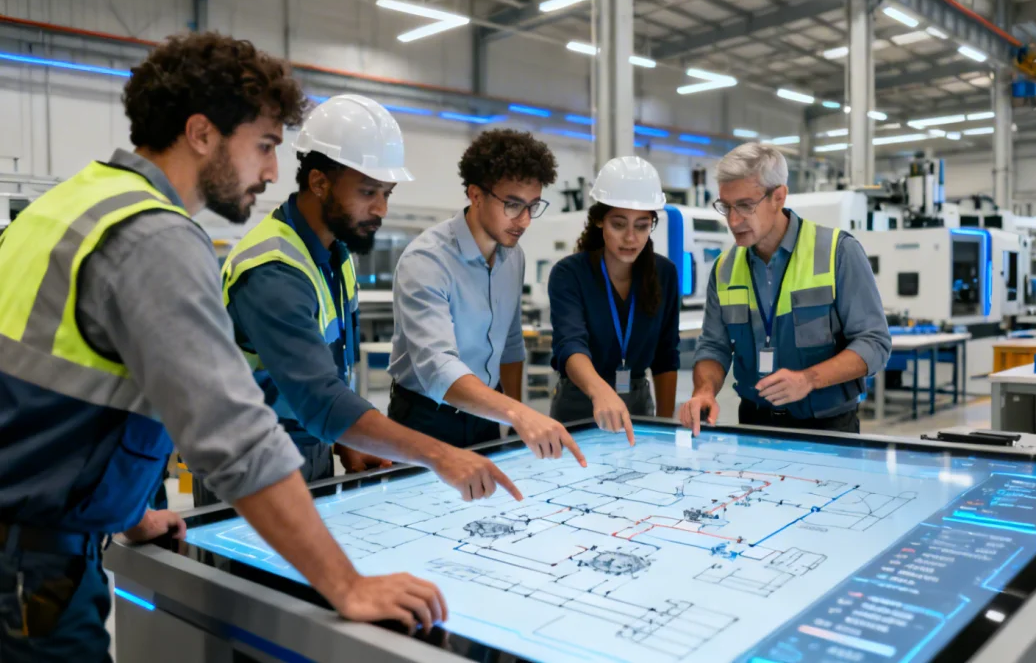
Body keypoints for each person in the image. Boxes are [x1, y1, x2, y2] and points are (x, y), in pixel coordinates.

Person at [0, 33, 446, 661]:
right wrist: (347, 586)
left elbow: (65, 391)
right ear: (202, 133)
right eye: (263, 145)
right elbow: (232, 435)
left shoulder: (70, 206)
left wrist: (125, 513)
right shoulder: (152, 236)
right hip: (31, 564)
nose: (270, 170)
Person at [191, 95, 519, 507]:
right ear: (319, 182)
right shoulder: (273, 270)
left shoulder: (334, 255)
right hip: (246, 465)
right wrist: (439, 454)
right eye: (368, 191)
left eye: (387, 192)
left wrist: (344, 441)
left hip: (307, 448)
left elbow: (328, 375)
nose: (380, 208)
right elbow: (319, 396)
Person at [388, 129, 586, 466]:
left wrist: (512, 420)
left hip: (488, 414)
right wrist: (519, 413)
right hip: (426, 417)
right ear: (475, 195)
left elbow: (510, 344)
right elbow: (438, 368)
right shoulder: (426, 260)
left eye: (532, 207)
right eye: (512, 205)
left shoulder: (514, 257)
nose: (523, 220)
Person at [679, 143, 890, 436]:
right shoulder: (724, 267)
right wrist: (704, 391)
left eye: (744, 205)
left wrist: (809, 379)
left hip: (827, 427)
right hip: (754, 424)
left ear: (778, 197)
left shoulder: (838, 253)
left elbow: (874, 343)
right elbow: (714, 346)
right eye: (726, 206)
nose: (733, 220)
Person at [547, 156, 680, 442]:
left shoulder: (664, 274)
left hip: (638, 405)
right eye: (619, 224)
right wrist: (600, 392)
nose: (631, 238)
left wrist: (667, 426)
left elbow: (667, 356)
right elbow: (570, 345)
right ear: (599, 220)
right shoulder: (570, 274)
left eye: (642, 226)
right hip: (579, 405)